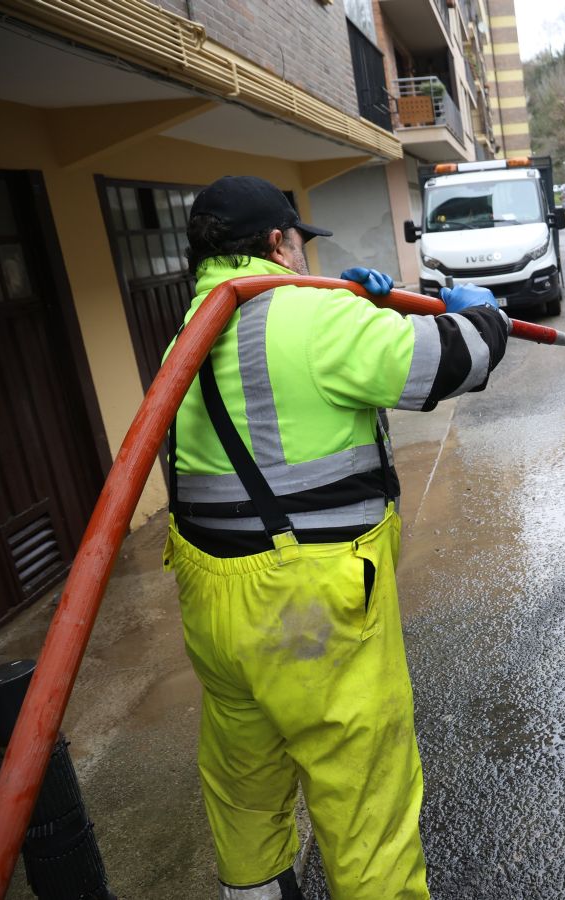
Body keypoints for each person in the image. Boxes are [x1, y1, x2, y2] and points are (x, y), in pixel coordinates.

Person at [164, 175, 508, 899]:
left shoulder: (187, 331)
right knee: (364, 797)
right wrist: (483, 316)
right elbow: (449, 362)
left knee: (245, 782)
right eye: (298, 243)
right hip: (307, 606)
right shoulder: (303, 317)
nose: (303, 258)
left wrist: (360, 302)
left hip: (211, 600)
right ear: (274, 243)